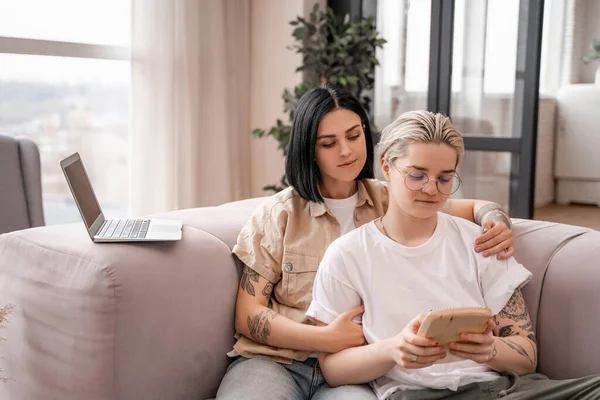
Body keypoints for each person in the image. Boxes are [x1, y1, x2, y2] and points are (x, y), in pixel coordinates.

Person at [216, 88, 515, 400]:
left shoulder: (393, 197)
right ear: (309, 150)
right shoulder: (278, 214)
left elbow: (470, 206)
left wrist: (496, 221)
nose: (346, 151)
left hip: (354, 372)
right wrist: (324, 337)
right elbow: (249, 315)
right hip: (275, 361)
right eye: (329, 143)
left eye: (354, 135)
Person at [307, 110, 600, 400]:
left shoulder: (481, 243)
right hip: (417, 394)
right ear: (386, 167)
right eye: (417, 175)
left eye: (444, 179)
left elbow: (527, 357)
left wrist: (492, 350)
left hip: (508, 389)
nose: (431, 189)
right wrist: (393, 349)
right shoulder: (347, 255)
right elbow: (332, 368)